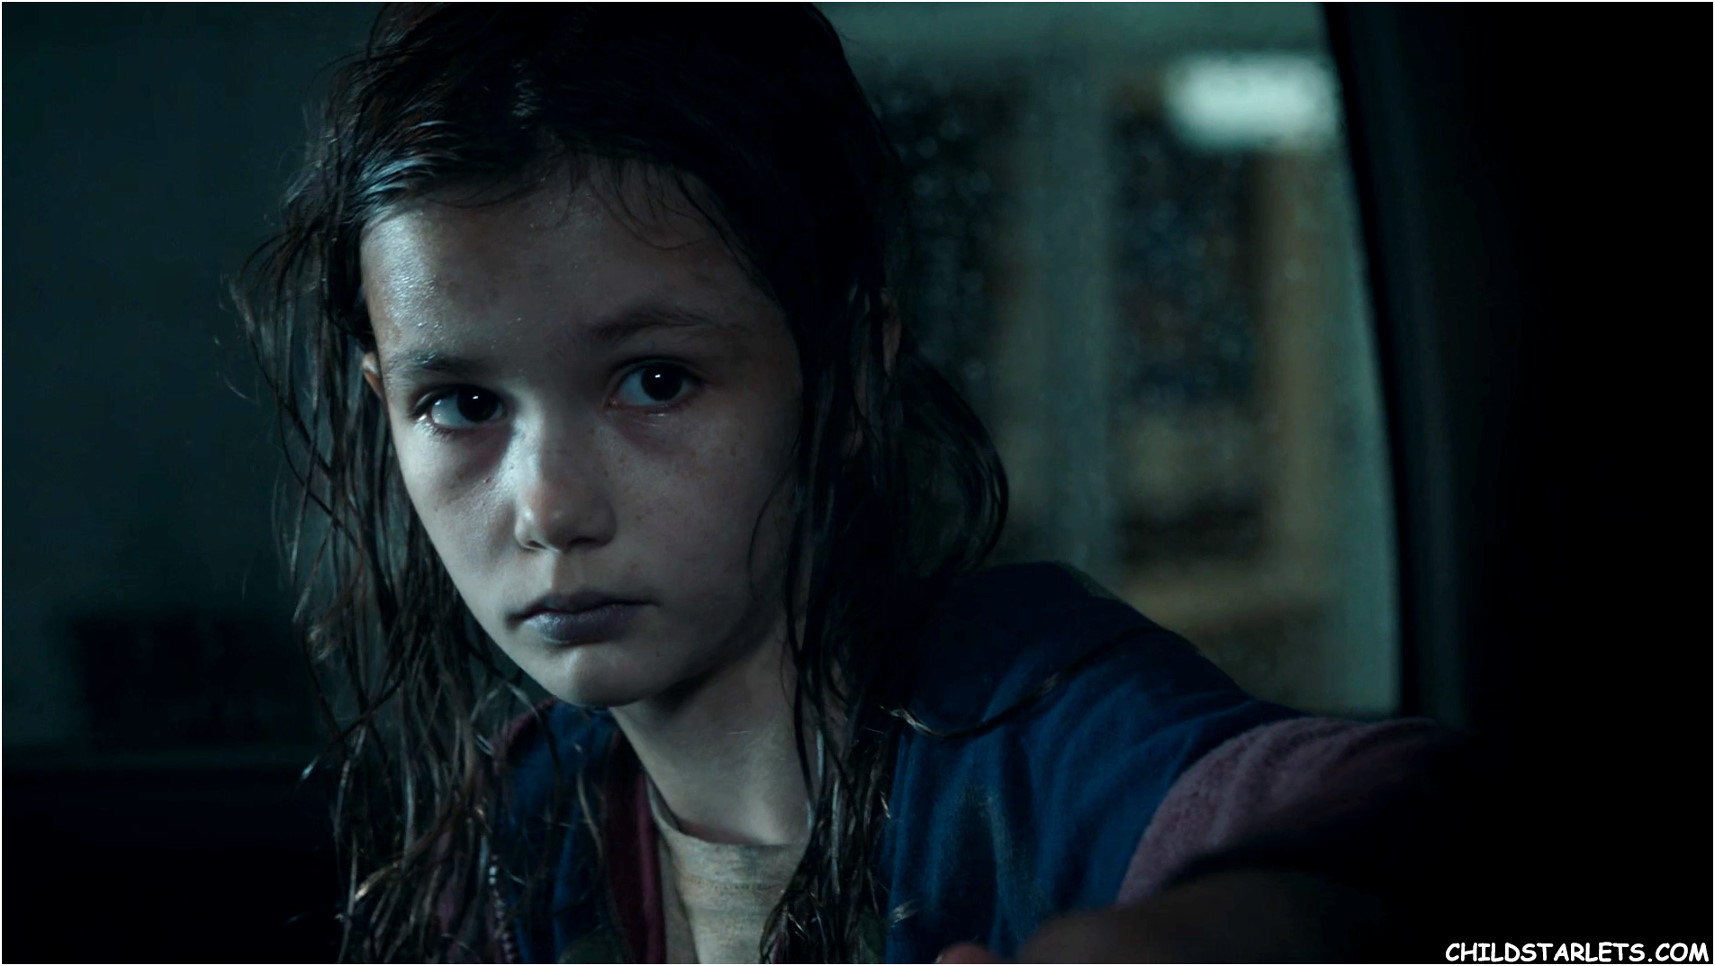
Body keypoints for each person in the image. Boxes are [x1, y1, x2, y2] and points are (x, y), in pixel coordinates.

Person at [239, 5, 1469, 962]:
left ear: (845, 374)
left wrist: (1205, 934)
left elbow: (1409, 815)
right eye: (461, 405)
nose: (548, 507)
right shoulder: (527, 825)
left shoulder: (1022, 727)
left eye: (656, 382)